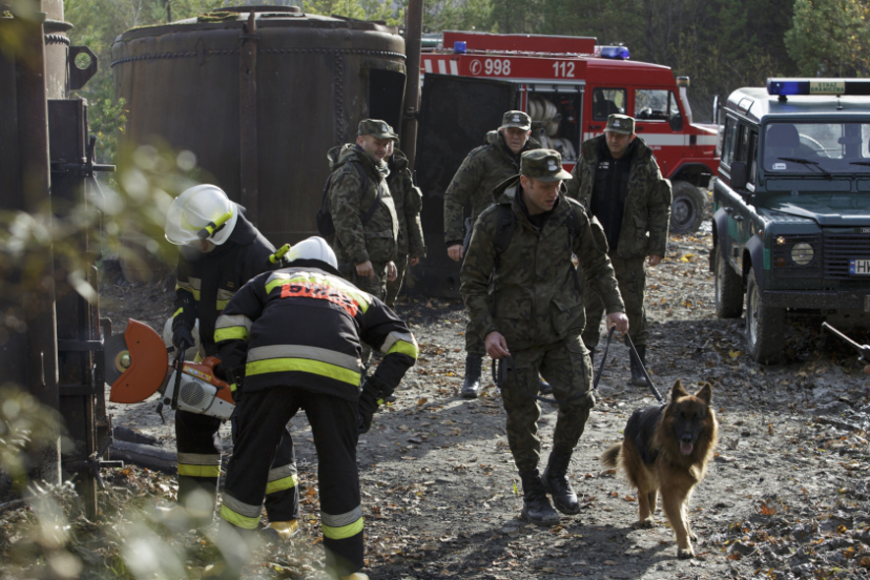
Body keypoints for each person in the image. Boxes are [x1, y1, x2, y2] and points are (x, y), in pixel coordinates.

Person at [213, 236, 418, 580]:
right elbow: (405, 345)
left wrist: (240, 385)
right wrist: (369, 402)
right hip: (336, 376)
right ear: (333, 269)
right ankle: (346, 570)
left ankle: (227, 563)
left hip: (271, 368)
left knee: (250, 460)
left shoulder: (270, 279)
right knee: (339, 467)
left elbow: (229, 324)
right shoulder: (354, 292)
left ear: (291, 262)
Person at [461, 149, 629, 526]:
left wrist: (615, 307)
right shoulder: (495, 222)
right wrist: (487, 330)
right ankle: (532, 491)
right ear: (525, 182)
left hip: (561, 329)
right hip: (514, 337)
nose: (554, 191)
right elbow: (472, 282)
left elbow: (597, 263)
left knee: (580, 399)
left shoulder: (572, 215)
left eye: (558, 184)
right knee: (522, 416)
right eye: (545, 185)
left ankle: (557, 472)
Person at [164, 184, 299, 536]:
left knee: (264, 433)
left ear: (218, 230)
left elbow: (274, 322)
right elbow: (184, 292)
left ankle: (283, 521)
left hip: (253, 360)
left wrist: (237, 365)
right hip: (211, 352)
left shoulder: (258, 257)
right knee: (191, 418)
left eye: (196, 242)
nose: (191, 248)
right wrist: (182, 324)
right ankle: (193, 510)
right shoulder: (193, 242)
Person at [566, 113, 671, 386]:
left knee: (633, 308)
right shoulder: (589, 157)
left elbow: (659, 206)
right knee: (586, 309)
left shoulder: (644, 162)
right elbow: (570, 197)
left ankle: (638, 367)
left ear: (631, 137)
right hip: (592, 249)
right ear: (605, 132)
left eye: (621, 136)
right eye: (611, 134)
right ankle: (584, 368)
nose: (614, 140)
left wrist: (657, 245)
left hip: (630, 250)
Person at [444, 110, 540, 398]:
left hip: (524, 245)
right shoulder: (482, 157)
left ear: (529, 134)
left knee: (524, 307)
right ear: (502, 131)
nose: (516, 137)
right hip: (485, 243)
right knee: (480, 303)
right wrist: (453, 238)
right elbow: (454, 194)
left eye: (521, 132)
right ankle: (472, 374)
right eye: (511, 131)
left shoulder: (536, 159)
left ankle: (519, 373)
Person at [327, 119, 400, 301]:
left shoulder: (375, 170)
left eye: (386, 144)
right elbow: (346, 219)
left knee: (376, 313)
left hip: (374, 265)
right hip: (358, 268)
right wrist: (360, 258)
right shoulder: (350, 172)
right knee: (362, 314)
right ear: (361, 141)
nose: (382, 148)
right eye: (377, 143)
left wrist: (388, 259)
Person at [384, 141, 426, 309]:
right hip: (372, 245)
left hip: (398, 245)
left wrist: (416, 248)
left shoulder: (401, 173)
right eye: (381, 142)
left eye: (389, 142)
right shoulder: (363, 171)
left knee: (390, 298)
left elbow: (412, 212)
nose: (386, 147)